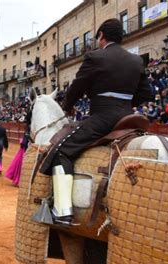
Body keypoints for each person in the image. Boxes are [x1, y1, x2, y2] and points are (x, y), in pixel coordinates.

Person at [39, 19, 154, 225]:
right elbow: (147, 93)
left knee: (61, 150)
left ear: (101, 35)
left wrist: (67, 106)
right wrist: (125, 105)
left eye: (97, 38)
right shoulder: (136, 60)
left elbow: (77, 86)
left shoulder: (95, 57)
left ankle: (63, 210)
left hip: (103, 117)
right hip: (129, 118)